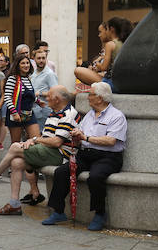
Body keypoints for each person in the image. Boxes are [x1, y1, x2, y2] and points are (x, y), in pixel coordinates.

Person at [0, 86, 81, 216]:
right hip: (50, 150)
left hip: (60, 155)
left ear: (57, 99)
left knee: (15, 147)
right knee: (17, 163)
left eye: (49, 96)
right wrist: (33, 140)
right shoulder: (55, 111)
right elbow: (48, 138)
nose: (46, 98)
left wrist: (35, 139)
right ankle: (14, 204)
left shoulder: (67, 114)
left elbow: (57, 142)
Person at [44, 82, 127, 231]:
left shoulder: (116, 116)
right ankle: (58, 211)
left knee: (95, 177)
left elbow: (111, 141)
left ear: (100, 98)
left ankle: (100, 214)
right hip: (86, 153)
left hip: (108, 156)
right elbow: (80, 135)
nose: (87, 97)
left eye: (91, 94)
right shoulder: (89, 115)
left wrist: (86, 138)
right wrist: (76, 136)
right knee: (62, 172)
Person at [2, 55, 43, 205]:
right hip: (16, 116)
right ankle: (29, 188)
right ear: (17, 65)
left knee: (36, 144)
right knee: (17, 147)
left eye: (27, 63)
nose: (25, 65)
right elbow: (7, 97)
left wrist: (39, 102)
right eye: (23, 63)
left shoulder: (28, 78)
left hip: (29, 115)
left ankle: (34, 189)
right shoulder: (13, 78)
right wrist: (14, 112)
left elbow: (29, 96)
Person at [75, 17, 132, 87]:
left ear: (112, 29)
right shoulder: (125, 43)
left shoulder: (110, 44)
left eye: (107, 29)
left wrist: (97, 64)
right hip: (122, 81)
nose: (105, 32)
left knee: (78, 70)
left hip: (112, 83)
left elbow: (103, 67)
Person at [30, 50, 59, 132]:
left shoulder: (49, 74)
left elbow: (56, 92)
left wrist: (41, 93)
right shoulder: (33, 73)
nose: (41, 60)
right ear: (34, 59)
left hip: (44, 111)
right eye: (39, 58)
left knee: (41, 135)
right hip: (33, 109)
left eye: (43, 58)